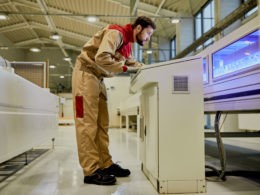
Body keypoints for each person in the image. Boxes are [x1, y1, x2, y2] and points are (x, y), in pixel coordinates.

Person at [72, 16, 156, 185]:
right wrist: (125, 68)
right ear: (138, 28)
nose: (148, 38)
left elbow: (133, 63)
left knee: (102, 124)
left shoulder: (126, 44)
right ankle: (91, 171)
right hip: (85, 75)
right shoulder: (116, 34)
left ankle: (105, 164)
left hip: (99, 79)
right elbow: (101, 58)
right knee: (87, 124)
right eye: (148, 33)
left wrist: (153, 69)